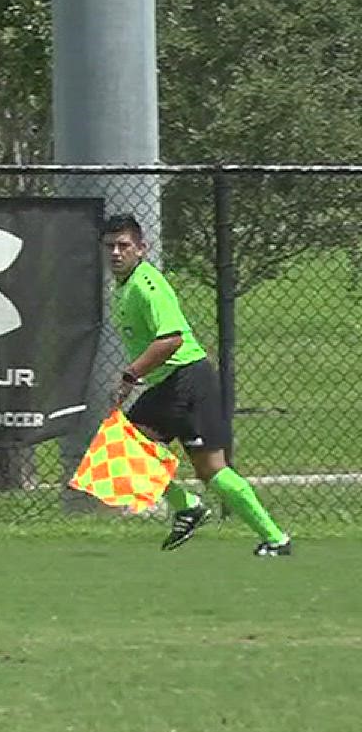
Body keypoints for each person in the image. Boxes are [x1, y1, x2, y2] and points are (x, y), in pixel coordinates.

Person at [104, 213, 291, 556]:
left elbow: (171, 340)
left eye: (123, 246)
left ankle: (199, 510)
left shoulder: (148, 286)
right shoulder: (124, 286)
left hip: (186, 379)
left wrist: (129, 377)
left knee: (143, 452)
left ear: (141, 249)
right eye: (110, 246)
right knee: (142, 452)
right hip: (176, 382)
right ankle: (270, 537)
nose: (116, 253)